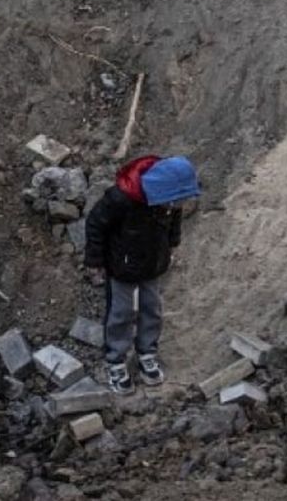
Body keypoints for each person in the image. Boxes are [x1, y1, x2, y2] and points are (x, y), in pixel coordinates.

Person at [84, 154, 201, 395]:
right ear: (160, 191)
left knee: (152, 308)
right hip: (122, 266)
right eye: (175, 201)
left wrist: (172, 242)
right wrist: (95, 261)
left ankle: (147, 352)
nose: (177, 206)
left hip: (152, 264)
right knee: (121, 313)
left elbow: (174, 220)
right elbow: (95, 224)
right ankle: (115, 360)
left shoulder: (169, 203)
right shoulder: (121, 198)